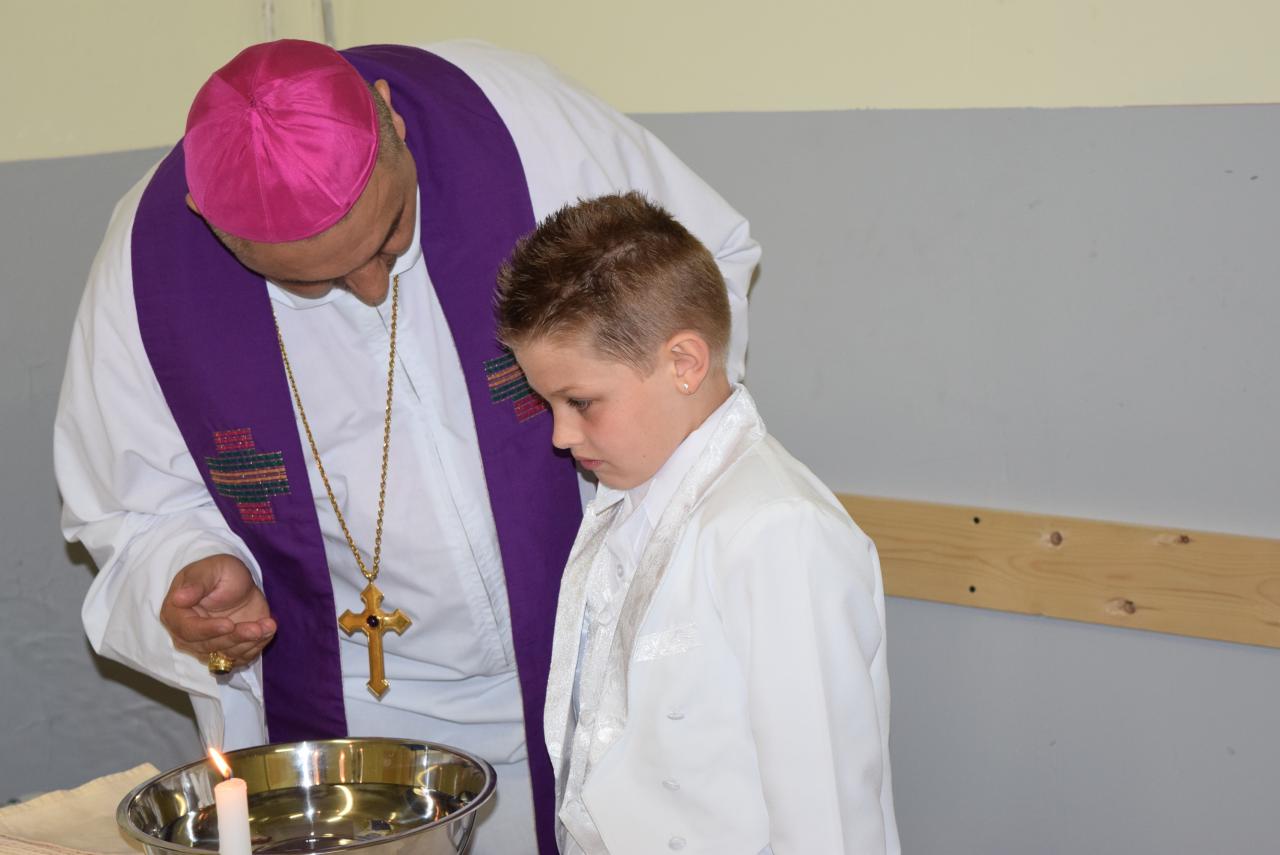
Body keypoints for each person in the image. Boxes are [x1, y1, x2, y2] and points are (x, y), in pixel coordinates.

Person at [53, 40, 757, 855]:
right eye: (313, 282)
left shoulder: (517, 130)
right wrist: (187, 568)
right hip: (366, 722)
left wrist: (640, 493)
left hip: (599, 660)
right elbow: (130, 509)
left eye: (389, 236)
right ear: (216, 229)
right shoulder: (150, 270)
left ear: (390, 117)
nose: (371, 288)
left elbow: (704, 277)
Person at [495, 192, 898, 855]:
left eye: (581, 402)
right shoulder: (627, 493)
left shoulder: (777, 532)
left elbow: (826, 817)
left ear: (683, 363)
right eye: (547, 403)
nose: (562, 435)